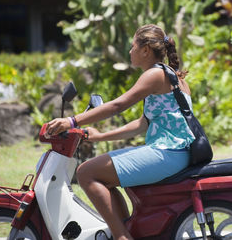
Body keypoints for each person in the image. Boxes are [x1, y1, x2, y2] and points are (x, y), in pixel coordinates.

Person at [45, 24, 195, 240]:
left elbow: (118, 105)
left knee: (86, 172)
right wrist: (100, 135)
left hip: (167, 153)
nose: (130, 51)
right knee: (99, 175)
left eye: (133, 46)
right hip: (176, 153)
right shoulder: (173, 76)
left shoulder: (154, 74)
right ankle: (129, 231)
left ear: (145, 50)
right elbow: (143, 124)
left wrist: (72, 120)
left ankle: (121, 237)